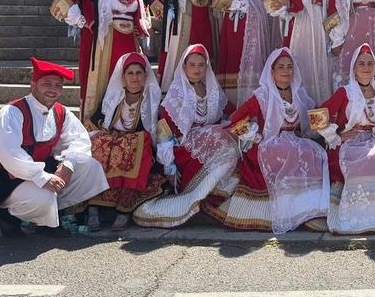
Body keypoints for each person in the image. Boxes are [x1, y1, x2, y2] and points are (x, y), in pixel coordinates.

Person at [0, 58, 108, 237]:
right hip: (2, 179)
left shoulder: (61, 112)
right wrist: (42, 177)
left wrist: (68, 165)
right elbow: (10, 154)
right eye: (47, 84)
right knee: (44, 197)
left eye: (58, 85)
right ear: (33, 84)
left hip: (36, 173)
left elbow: (79, 140)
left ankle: (46, 218)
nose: (53, 90)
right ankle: (7, 214)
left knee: (91, 168)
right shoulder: (12, 112)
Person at [207, 48, 329, 233]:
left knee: (315, 153)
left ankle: (309, 212)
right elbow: (236, 118)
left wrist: (327, 126)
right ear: (271, 72)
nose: (286, 71)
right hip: (270, 145)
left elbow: (314, 117)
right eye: (281, 67)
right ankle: (291, 212)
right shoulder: (263, 95)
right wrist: (254, 135)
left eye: (290, 66)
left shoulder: (300, 94)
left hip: (296, 142)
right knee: (289, 152)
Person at [132, 46, 238, 229]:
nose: (197, 69)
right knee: (220, 138)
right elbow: (164, 132)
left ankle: (216, 194)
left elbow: (230, 114)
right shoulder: (175, 95)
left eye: (201, 65)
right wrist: (169, 167)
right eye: (192, 65)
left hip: (213, 144)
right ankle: (196, 196)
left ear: (207, 67)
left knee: (232, 139)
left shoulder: (213, 91)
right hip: (184, 150)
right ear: (184, 67)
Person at [50, 0, 148, 118]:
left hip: (129, 44)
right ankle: (95, 128)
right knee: (102, 85)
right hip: (100, 45)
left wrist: (139, 25)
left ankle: (124, 125)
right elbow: (60, 4)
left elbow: (139, 12)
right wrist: (82, 21)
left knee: (127, 84)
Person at [314, 44, 375, 235]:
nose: (366, 67)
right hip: (349, 143)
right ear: (354, 69)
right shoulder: (346, 92)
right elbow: (317, 116)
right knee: (365, 160)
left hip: (372, 140)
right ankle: (353, 218)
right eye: (361, 64)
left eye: (370, 63)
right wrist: (336, 136)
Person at [83, 52, 164, 231]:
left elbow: (154, 131)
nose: (134, 77)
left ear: (145, 77)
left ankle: (124, 209)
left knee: (135, 144)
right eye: (130, 73)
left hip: (139, 146)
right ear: (123, 77)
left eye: (138, 73)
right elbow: (97, 122)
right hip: (114, 142)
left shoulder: (152, 100)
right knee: (100, 145)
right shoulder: (113, 98)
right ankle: (94, 207)